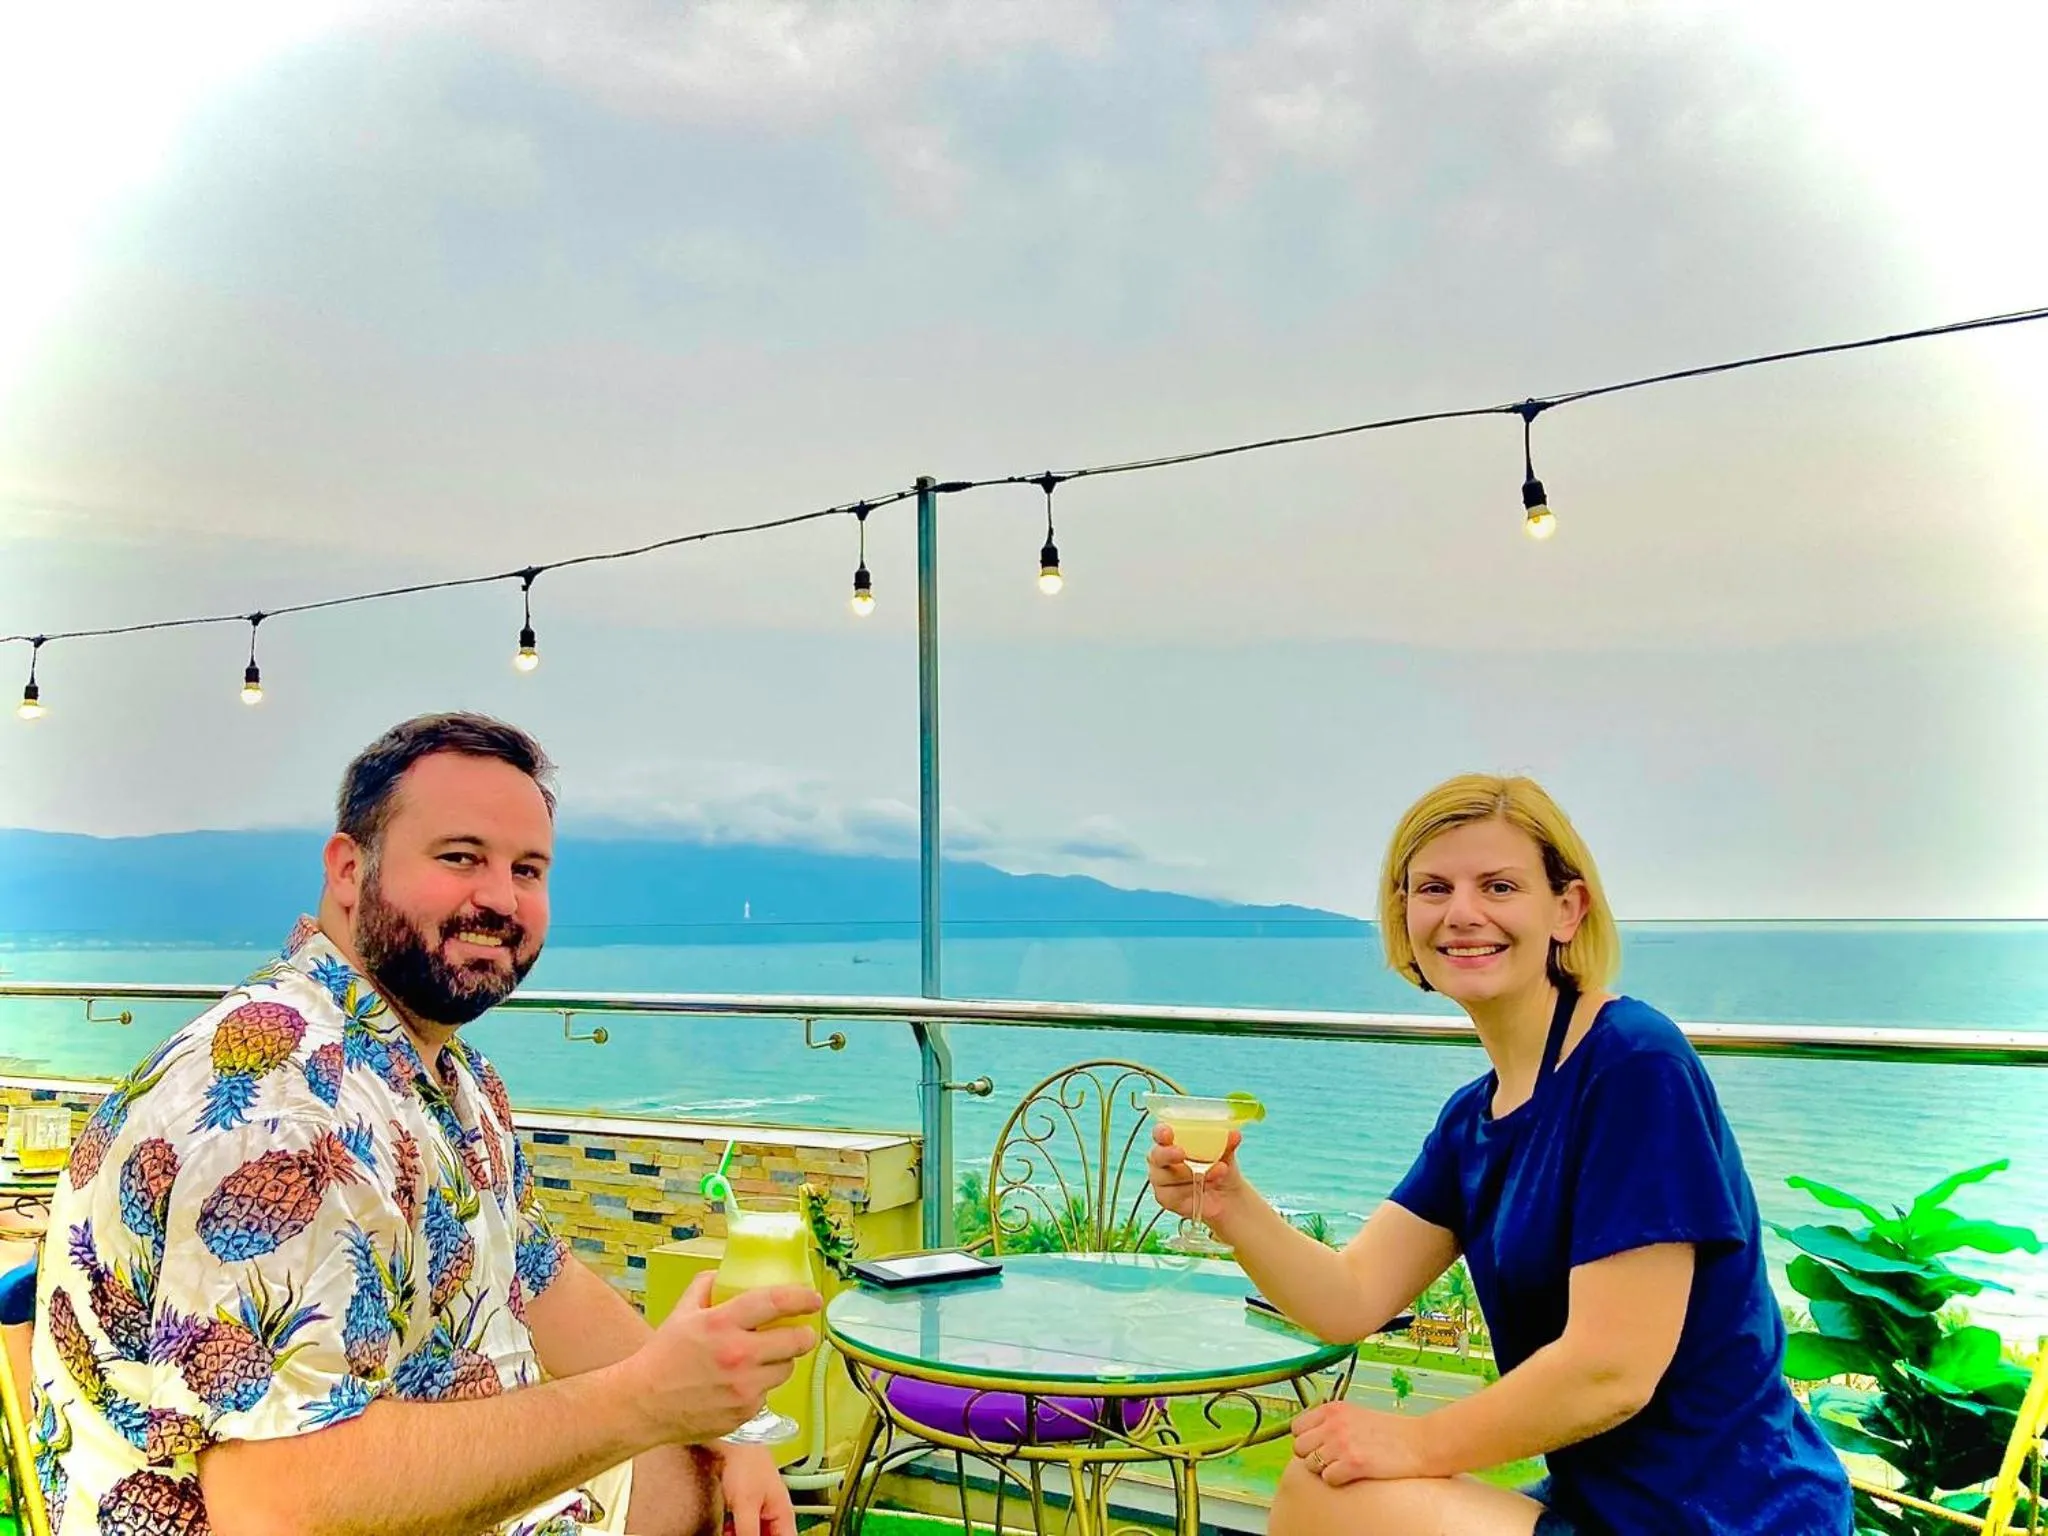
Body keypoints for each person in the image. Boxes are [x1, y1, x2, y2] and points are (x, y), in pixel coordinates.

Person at [31, 712, 821, 1536]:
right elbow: (275, 1508)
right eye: (459, 858)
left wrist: (718, 1430)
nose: (500, 899)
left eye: (528, 869)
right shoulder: (281, 1107)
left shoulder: (446, 1072)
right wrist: (644, 1403)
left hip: (428, 1488)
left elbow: (540, 1280)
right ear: (348, 870)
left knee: (697, 1478)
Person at [1147, 773, 1853, 1535]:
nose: (1462, 913)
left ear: (1566, 908)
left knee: (1330, 1495)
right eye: (1433, 888)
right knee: (1325, 1484)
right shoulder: (1475, 1119)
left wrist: (1412, 1440)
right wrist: (1229, 1206)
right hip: (1608, 1506)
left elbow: (1612, 1370)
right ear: (1404, 915)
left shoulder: (1633, 1065)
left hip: (1731, 1517)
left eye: (1499, 885)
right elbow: (1350, 1298)